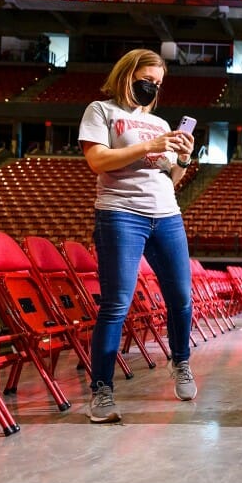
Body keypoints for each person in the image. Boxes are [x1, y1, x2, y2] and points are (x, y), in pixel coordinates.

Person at [78, 48, 198, 424]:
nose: (152, 88)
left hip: (166, 214)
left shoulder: (162, 123)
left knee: (181, 298)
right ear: (127, 75)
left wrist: (182, 159)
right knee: (117, 303)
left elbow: (170, 180)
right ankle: (101, 389)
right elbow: (97, 160)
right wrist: (148, 146)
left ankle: (181, 362)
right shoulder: (101, 111)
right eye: (147, 80)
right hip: (119, 213)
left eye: (158, 84)